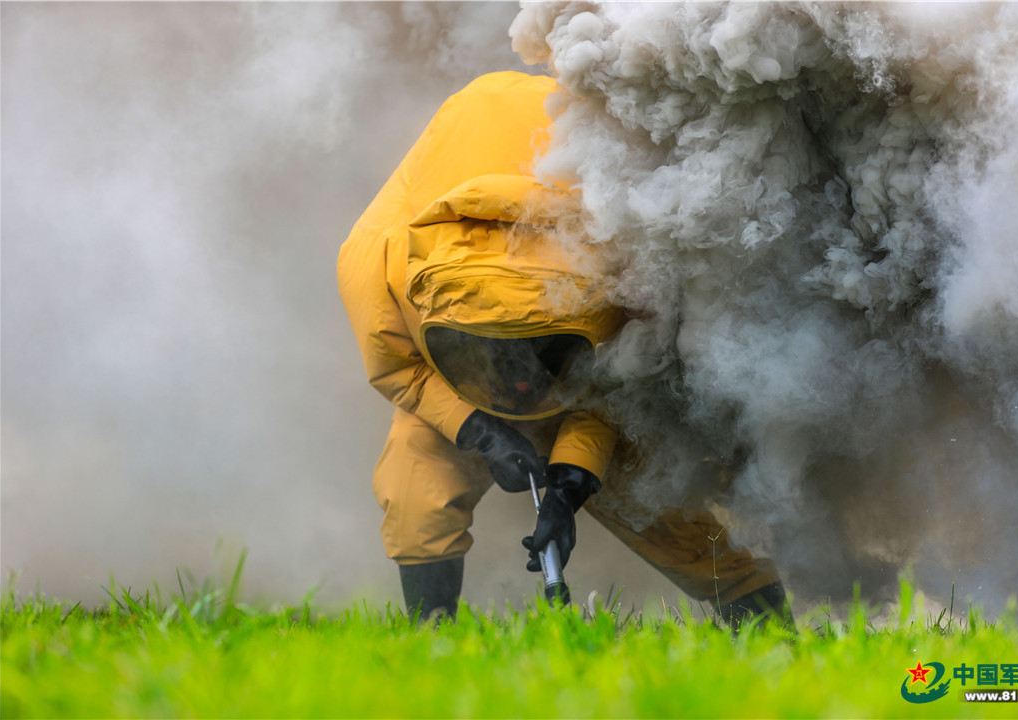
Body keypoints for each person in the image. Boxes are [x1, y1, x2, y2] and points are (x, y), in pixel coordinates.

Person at [338, 71, 790, 627]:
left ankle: (770, 630)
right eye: (496, 358)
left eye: (543, 357)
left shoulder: (629, 271)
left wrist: (573, 483)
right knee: (416, 486)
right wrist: (476, 429)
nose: (521, 385)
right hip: (466, 386)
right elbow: (398, 371)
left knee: (656, 505)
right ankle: (429, 635)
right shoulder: (376, 263)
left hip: (587, 374)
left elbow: (621, 388)